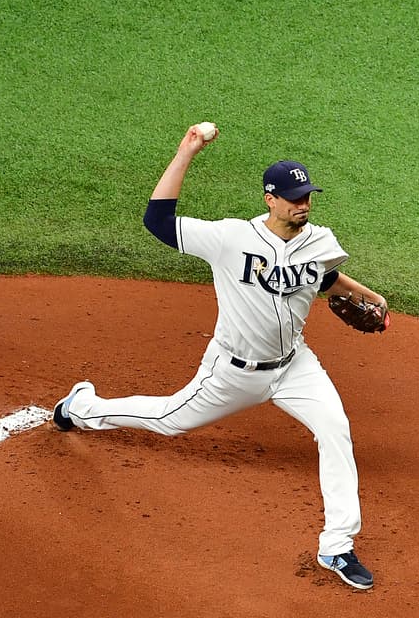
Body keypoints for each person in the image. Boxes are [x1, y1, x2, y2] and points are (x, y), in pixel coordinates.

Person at [52, 123, 386, 590]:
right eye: (293, 197)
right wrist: (186, 150)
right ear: (270, 199)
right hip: (233, 371)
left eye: (307, 195)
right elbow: (158, 222)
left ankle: (337, 547)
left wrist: (366, 291)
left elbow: (322, 278)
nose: (303, 203)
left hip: (296, 366)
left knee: (336, 431)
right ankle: (82, 407)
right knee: (171, 420)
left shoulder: (319, 240)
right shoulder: (229, 238)